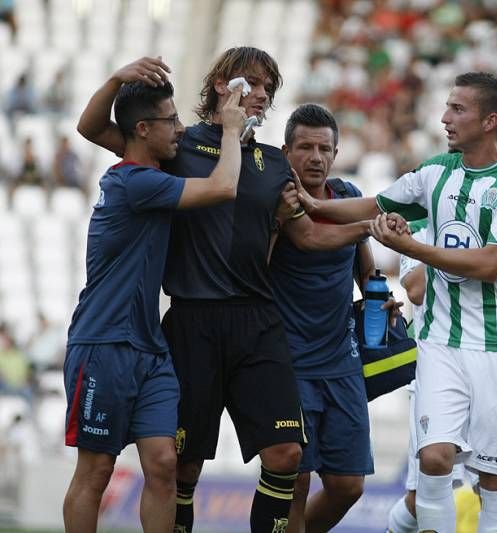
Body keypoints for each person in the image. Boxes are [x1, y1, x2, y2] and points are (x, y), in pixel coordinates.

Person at [76, 50, 403, 533]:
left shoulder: (273, 163)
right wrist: (117, 77)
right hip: (192, 321)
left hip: (257, 321)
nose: (262, 93)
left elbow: (308, 236)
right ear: (220, 85)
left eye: (268, 86)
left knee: (287, 454)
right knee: (182, 466)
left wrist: (369, 227)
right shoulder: (175, 146)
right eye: (251, 81)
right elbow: (92, 129)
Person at [299, 72, 497, 533]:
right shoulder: (435, 172)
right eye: (447, 107)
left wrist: (411, 249)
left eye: (458, 110)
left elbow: (490, 264)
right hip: (439, 343)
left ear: (489, 121)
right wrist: (311, 206)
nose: (445, 118)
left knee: (495, 483)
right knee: (433, 459)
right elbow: (373, 206)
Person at [63, 78, 247, 533]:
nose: (181, 129)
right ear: (144, 129)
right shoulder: (135, 182)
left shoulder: (146, 172)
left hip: (149, 347)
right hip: (103, 345)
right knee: (97, 472)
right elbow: (224, 187)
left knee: (164, 463)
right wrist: (229, 129)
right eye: (172, 120)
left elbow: (90, 126)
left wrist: (118, 78)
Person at [273, 103, 399, 533]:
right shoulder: (279, 197)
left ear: (336, 151)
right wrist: (369, 224)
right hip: (288, 362)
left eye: (324, 148)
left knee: (348, 485)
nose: (315, 157)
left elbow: (363, 266)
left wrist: (377, 295)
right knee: (295, 480)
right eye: (305, 146)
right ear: (286, 150)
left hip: (342, 362)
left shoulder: (346, 196)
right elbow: (313, 238)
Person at [387, 218, 497, 532]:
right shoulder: (418, 225)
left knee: (495, 483)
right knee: (424, 489)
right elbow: (416, 290)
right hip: (439, 366)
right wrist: (469, 257)